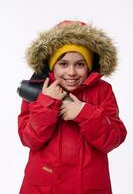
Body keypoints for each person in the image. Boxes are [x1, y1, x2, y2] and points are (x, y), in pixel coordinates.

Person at [18, 20, 127, 194]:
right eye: (63, 64)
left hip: (88, 187)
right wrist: (47, 103)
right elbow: (29, 139)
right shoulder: (39, 90)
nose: (71, 72)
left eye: (80, 64)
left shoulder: (103, 91)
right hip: (44, 187)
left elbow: (113, 139)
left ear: (90, 65)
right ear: (52, 64)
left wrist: (85, 113)